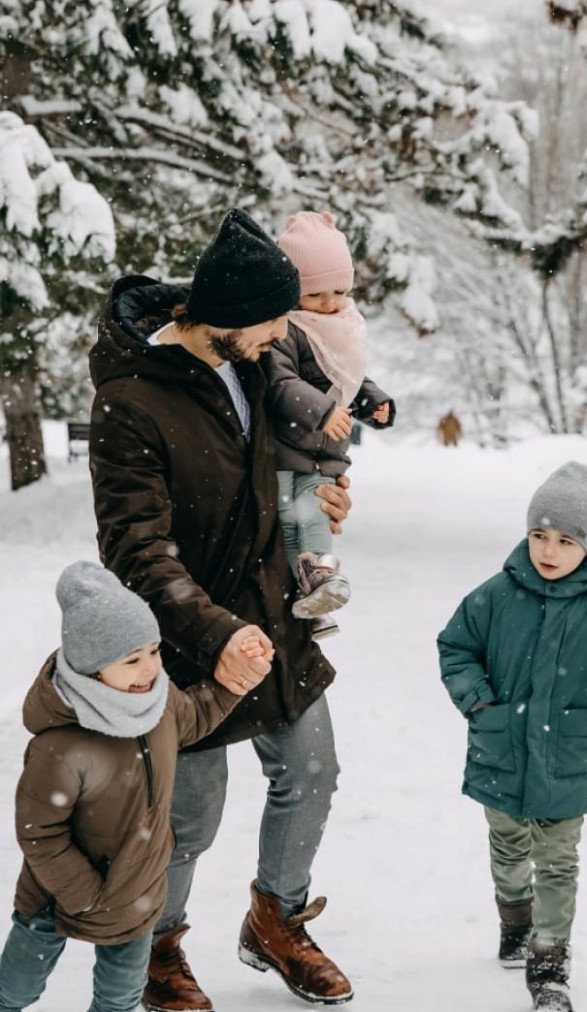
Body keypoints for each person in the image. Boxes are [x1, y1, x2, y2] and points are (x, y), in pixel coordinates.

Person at [87, 207, 354, 1011]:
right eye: (273, 319)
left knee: (313, 774)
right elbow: (136, 549)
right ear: (229, 316)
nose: (283, 333)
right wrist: (214, 635)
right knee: (190, 814)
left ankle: (277, 920)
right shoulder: (131, 401)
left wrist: (318, 501)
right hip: (184, 641)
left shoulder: (254, 366)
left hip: (272, 616)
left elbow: (278, 472)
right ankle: (160, 945)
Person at [437, 461, 587, 1012]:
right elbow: (455, 646)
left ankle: (550, 960)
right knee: (508, 848)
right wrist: (479, 701)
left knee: (558, 860)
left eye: (565, 540)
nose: (548, 550)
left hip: (565, 758)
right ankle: (515, 920)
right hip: (501, 749)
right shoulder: (496, 594)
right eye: (539, 535)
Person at [0, 561, 244, 1012]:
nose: (149, 668)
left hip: (136, 892)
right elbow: (40, 833)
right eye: (132, 660)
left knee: (119, 1000)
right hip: (54, 899)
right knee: (15, 990)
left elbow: (193, 718)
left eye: (153, 651)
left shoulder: (159, 703)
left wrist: (233, 685)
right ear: (92, 670)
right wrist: (86, 896)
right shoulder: (61, 746)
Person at [266, 210, 395, 638]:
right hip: (287, 450)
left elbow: (347, 379)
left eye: (340, 291)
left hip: (324, 456)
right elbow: (280, 383)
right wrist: (322, 410)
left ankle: (317, 589)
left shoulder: (341, 327)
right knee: (289, 523)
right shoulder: (286, 330)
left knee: (315, 514)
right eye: (316, 294)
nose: (330, 303)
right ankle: (309, 596)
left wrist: (373, 402)